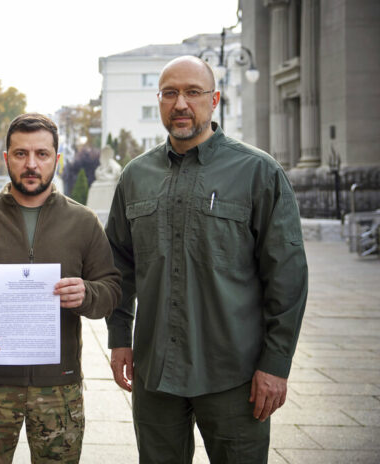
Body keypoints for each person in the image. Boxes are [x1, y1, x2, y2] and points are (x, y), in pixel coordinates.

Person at [105, 56, 308, 463]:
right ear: (159, 101)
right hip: (155, 373)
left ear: (214, 100)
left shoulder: (257, 172)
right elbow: (118, 266)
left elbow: (286, 274)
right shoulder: (135, 176)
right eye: (170, 93)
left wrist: (276, 363)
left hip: (235, 377)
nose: (181, 103)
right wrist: (118, 338)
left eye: (193, 92)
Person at [0, 113, 122, 463]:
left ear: (57, 158)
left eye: (42, 154)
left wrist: (87, 294)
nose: (31, 164)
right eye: (21, 154)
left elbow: (110, 288)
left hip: (59, 386)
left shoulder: (82, 222)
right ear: (6, 158)